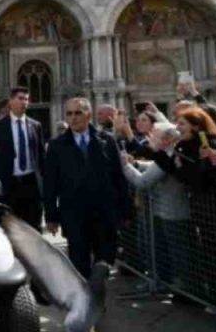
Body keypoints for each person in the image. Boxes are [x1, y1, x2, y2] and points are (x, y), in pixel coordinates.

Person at [43, 97, 130, 278]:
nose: (73, 118)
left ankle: (98, 294)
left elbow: (118, 177)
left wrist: (125, 211)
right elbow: (50, 183)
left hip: (103, 213)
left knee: (103, 262)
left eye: (78, 113)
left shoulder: (107, 140)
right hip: (74, 215)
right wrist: (51, 215)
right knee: (79, 265)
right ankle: (87, 302)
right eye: (69, 113)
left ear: (89, 115)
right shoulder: (57, 145)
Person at [120, 122, 192, 288]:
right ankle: (164, 281)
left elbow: (143, 181)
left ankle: (180, 287)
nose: (150, 138)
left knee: (176, 253)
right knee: (161, 249)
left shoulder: (168, 156)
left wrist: (126, 165)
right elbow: (153, 166)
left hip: (172, 212)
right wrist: (137, 164)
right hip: (164, 211)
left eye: (155, 136)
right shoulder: (165, 154)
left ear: (166, 140)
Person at [0, 87, 45, 227]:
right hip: (7, 185)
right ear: (11, 101)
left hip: (31, 184)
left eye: (26, 99)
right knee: (9, 227)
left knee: (33, 227)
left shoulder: (35, 126)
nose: (24, 102)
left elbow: (41, 157)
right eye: (20, 98)